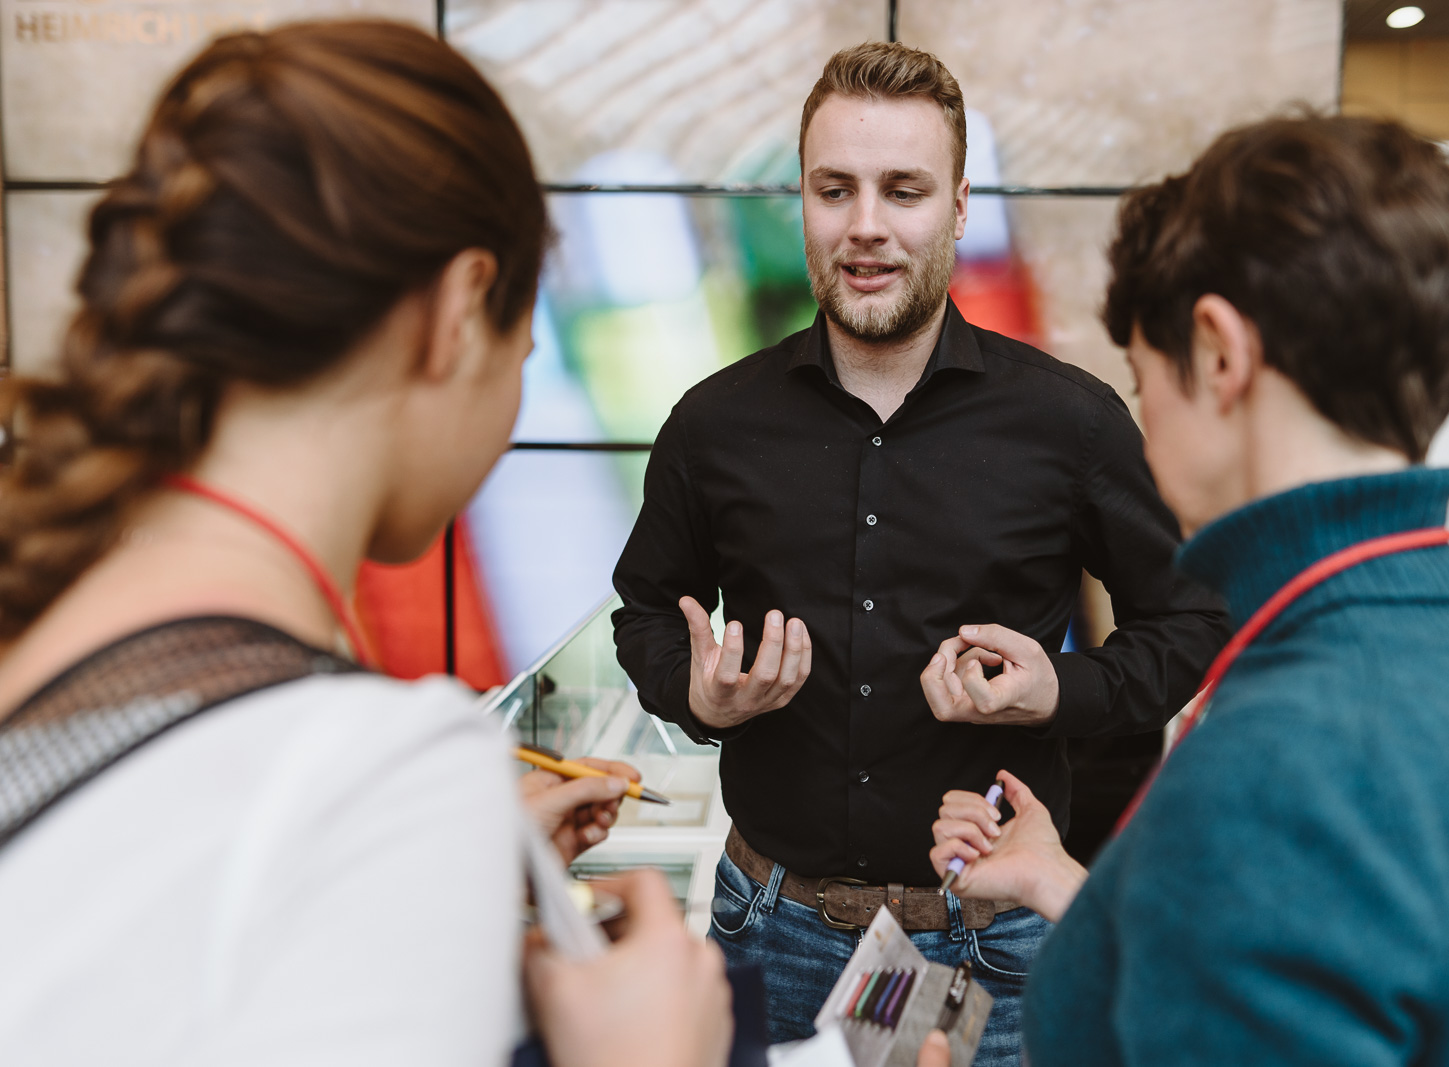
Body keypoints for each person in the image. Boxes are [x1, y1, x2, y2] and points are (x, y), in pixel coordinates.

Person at [0, 21, 729, 1067]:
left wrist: (438, 869)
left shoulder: (52, 628)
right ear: (459, 310)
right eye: (522, 346)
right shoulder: (372, 772)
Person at [924, 114, 1449, 1065]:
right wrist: (1072, 884)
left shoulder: (1285, 762)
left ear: (1218, 354)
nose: (1143, 420)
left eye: (1140, 376)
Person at [611, 40, 1230, 1061]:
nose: (865, 225)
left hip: (994, 948)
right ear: (799, 201)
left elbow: (1193, 620)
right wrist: (697, 693)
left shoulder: (1069, 424)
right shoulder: (713, 424)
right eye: (833, 188)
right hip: (770, 925)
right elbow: (645, 609)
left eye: (902, 190)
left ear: (955, 206)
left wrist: (1059, 692)